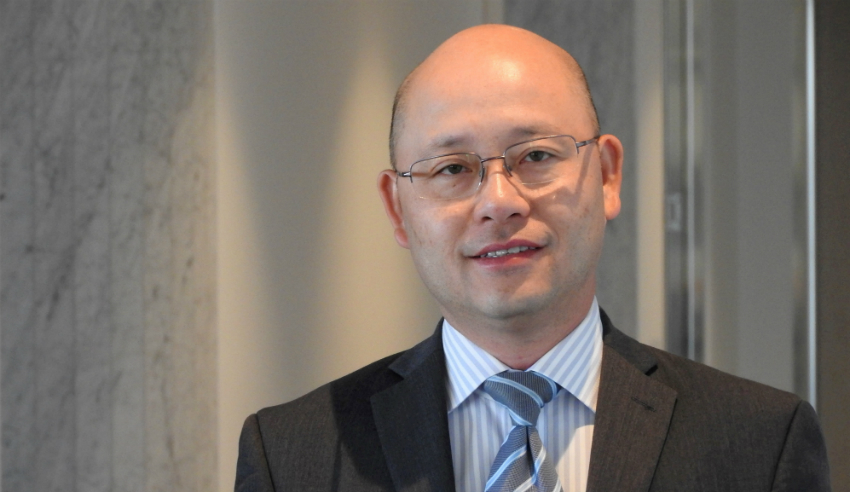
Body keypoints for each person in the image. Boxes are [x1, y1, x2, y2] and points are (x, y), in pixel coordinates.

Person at [235, 25, 830, 491]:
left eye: (537, 156)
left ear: (607, 174)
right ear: (397, 208)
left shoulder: (758, 445)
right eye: (452, 168)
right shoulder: (292, 455)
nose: (500, 201)